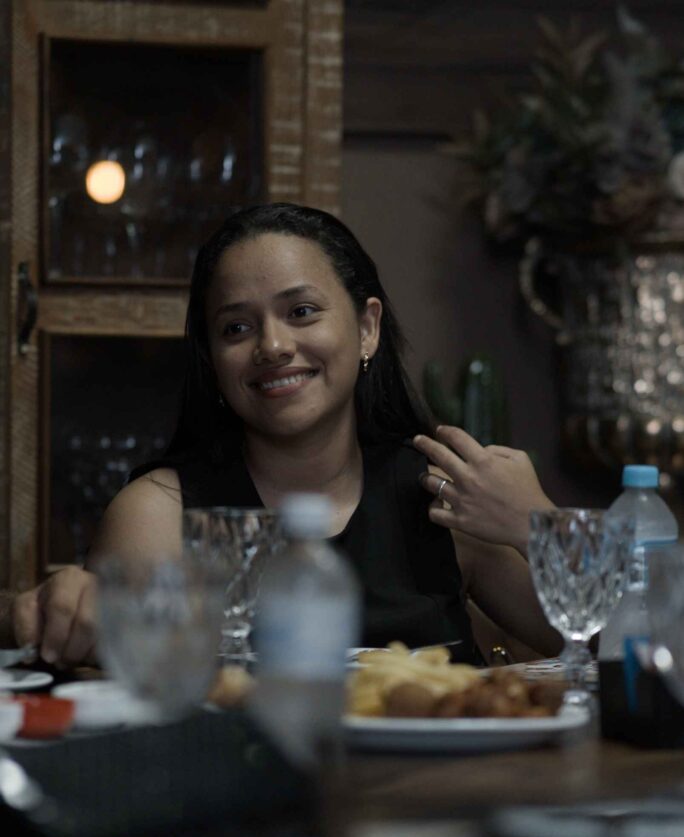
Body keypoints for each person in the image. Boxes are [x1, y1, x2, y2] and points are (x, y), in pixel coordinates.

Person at [10, 202, 559, 666]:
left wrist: (536, 524)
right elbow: (124, 698)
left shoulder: (444, 497)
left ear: (367, 328)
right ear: (213, 359)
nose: (272, 346)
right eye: (236, 327)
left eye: (301, 311)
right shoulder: (159, 515)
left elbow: (602, 646)